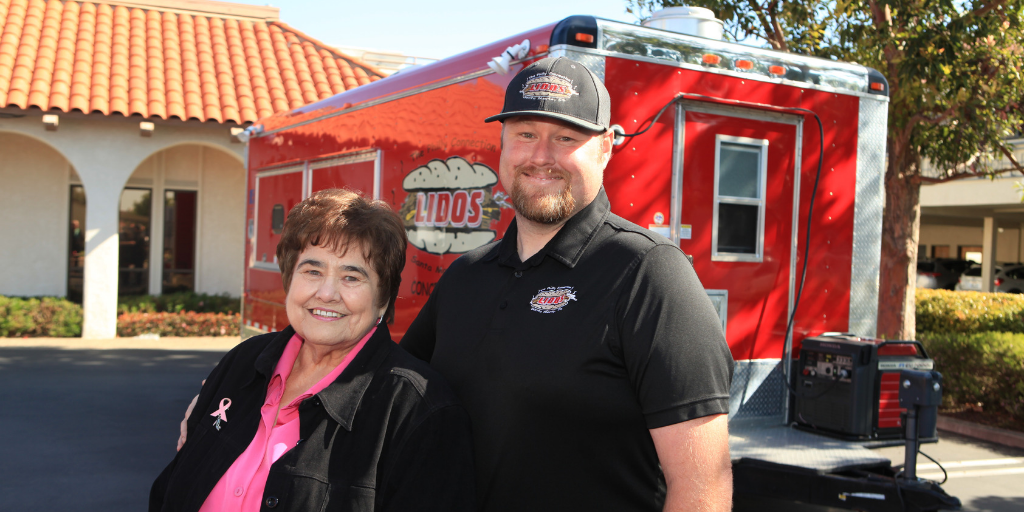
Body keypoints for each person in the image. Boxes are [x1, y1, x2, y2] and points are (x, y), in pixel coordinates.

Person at [400, 57, 735, 511]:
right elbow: (389, 388)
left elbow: (702, 487)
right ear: (501, 145)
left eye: (565, 137)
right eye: (525, 134)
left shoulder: (648, 274)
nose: (541, 156)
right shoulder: (466, 277)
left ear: (606, 148)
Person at [152, 189, 475, 512]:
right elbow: (169, 490)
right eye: (312, 271)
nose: (327, 293)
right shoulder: (243, 362)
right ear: (290, 278)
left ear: (383, 300)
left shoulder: (419, 413)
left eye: (351, 276)